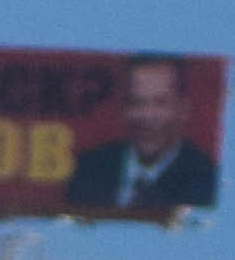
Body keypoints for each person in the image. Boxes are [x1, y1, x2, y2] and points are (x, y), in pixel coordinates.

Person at [63, 54, 218, 211]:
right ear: (123, 108)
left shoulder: (205, 178)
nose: (147, 116)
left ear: (183, 109)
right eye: (136, 102)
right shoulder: (88, 169)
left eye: (160, 103)